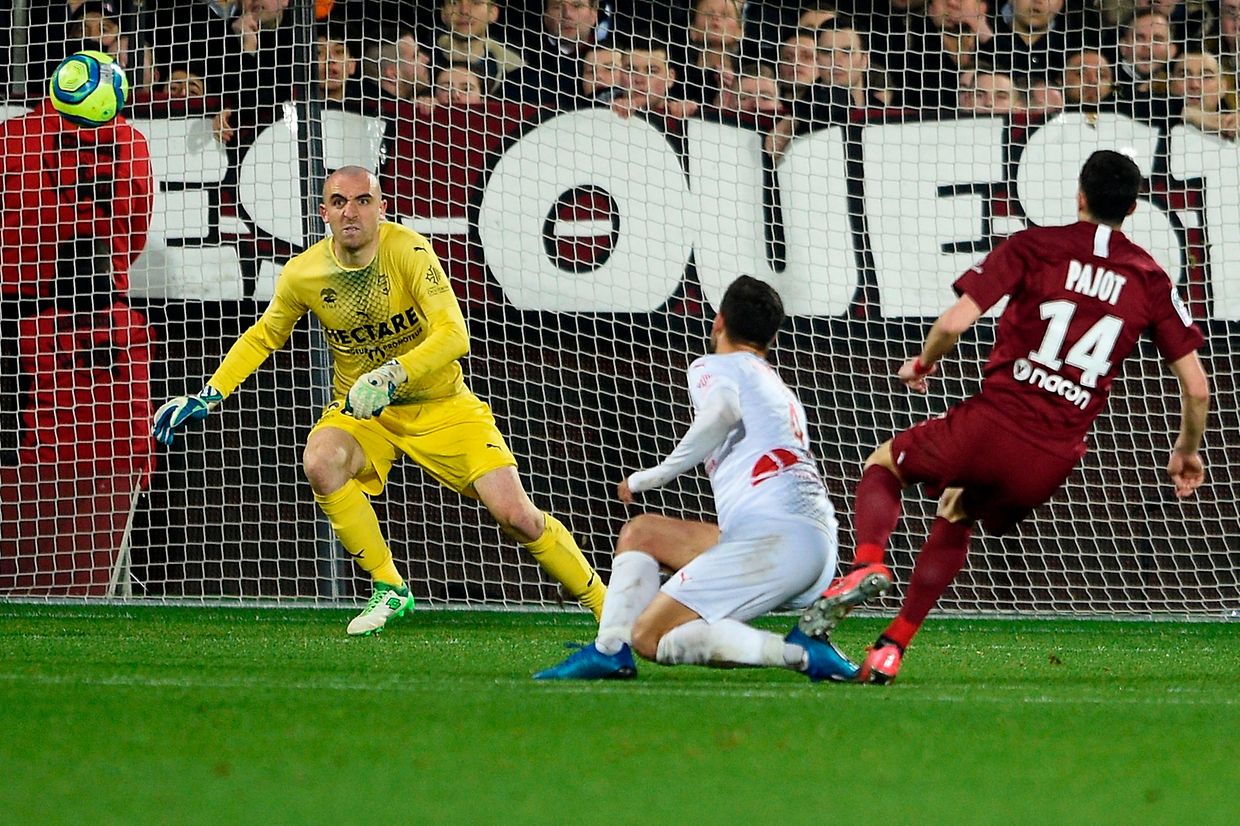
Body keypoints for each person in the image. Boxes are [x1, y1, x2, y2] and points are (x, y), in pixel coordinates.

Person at [798, 150, 1210, 684]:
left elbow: (952, 322)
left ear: (1079, 195)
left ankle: (868, 561)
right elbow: (1198, 388)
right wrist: (1186, 450)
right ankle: (892, 646)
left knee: (885, 465)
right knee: (957, 510)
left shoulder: (1033, 246)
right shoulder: (1151, 278)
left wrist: (923, 363)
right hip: (1051, 460)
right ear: (1133, 209)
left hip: (992, 423)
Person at [152, 166, 607, 636]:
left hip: (441, 405)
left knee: (518, 518)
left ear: (381, 207)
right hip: (364, 413)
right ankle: (389, 586)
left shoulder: (407, 250)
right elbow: (264, 336)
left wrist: (393, 373)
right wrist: (209, 394)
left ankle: (607, 605)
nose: (351, 211)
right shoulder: (304, 272)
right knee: (321, 461)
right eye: (339, 201)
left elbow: (455, 334)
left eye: (363, 201)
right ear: (323, 212)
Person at [533, 276, 858, 683]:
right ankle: (609, 652)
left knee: (650, 636)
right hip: (815, 547)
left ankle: (798, 652)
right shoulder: (776, 386)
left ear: (718, 322)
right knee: (642, 533)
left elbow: (722, 410)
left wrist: (652, 477)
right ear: (771, 338)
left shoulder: (714, 365)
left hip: (776, 544)